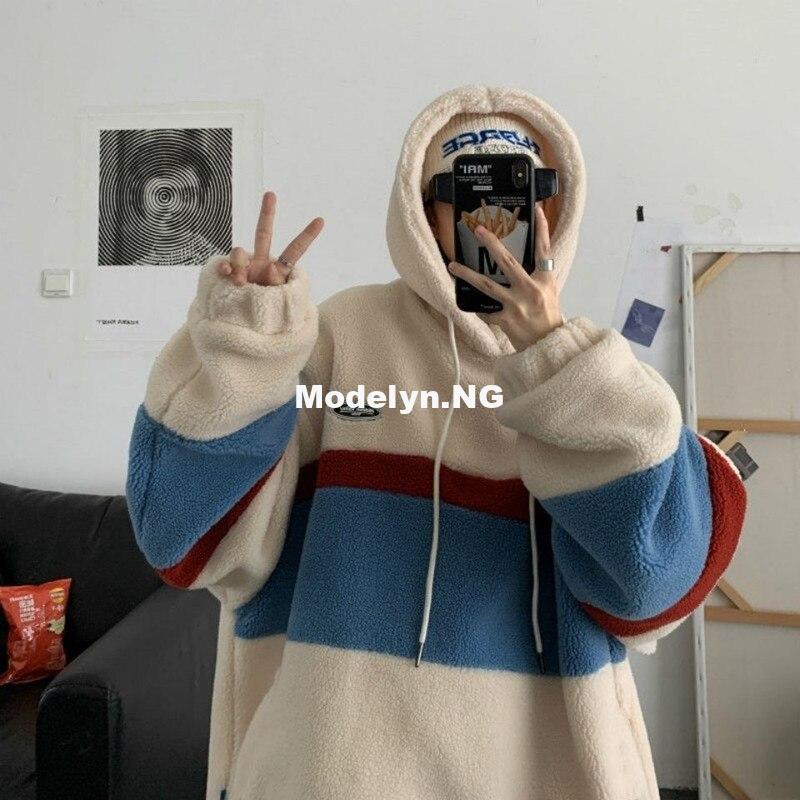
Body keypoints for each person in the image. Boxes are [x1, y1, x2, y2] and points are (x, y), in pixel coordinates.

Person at [125, 84, 747, 800]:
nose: (495, 222)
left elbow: (655, 591)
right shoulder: (338, 336)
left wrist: (554, 361)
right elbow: (190, 539)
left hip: (543, 767)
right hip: (333, 763)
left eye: (522, 195)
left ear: (553, 210)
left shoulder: (593, 378)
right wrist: (244, 350)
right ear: (425, 214)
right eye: (469, 194)